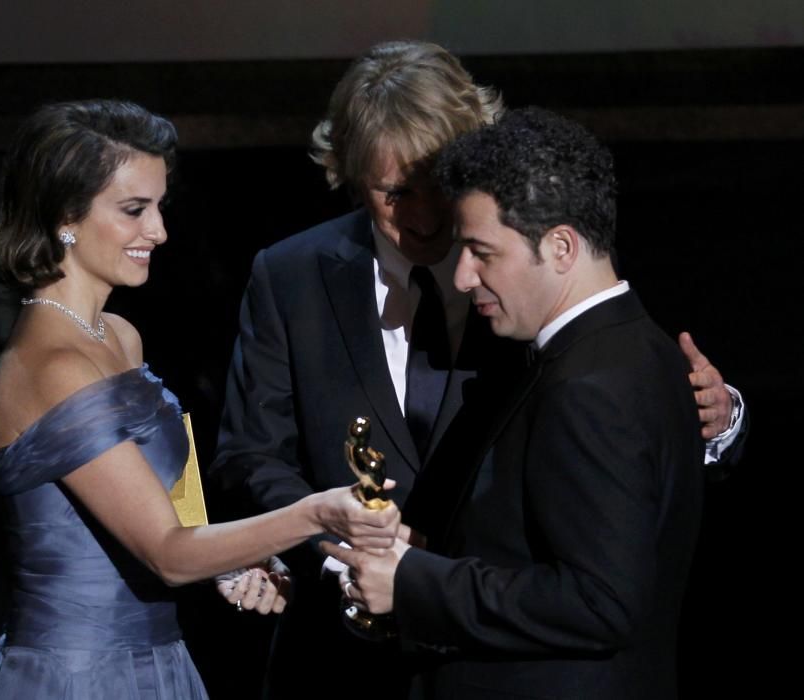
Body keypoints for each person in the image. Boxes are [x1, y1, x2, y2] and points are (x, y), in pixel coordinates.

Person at [209, 40, 745, 699]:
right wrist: (347, 563)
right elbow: (250, 457)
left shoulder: (542, 263)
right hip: (338, 663)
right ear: (347, 173)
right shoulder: (288, 277)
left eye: (440, 187)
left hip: (500, 659)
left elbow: (625, 394)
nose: (427, 218)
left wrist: (717, 421)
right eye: (395, 194)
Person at [0, 99, 400, 700]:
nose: (159, 231)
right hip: (76, 678)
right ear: (65, 214)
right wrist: (317, 512)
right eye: (134, 210)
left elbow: (168, 524)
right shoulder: (52, 366)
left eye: (159, 207)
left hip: (156, 661)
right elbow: (168, 553)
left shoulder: (119, 336)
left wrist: (231, 559)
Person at [326, 106, 707, 699]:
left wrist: (415, 583)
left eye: (483, 252)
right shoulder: (636, 349)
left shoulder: (590, 387)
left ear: (560, 247)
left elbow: (600, 601)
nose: (462, 277)